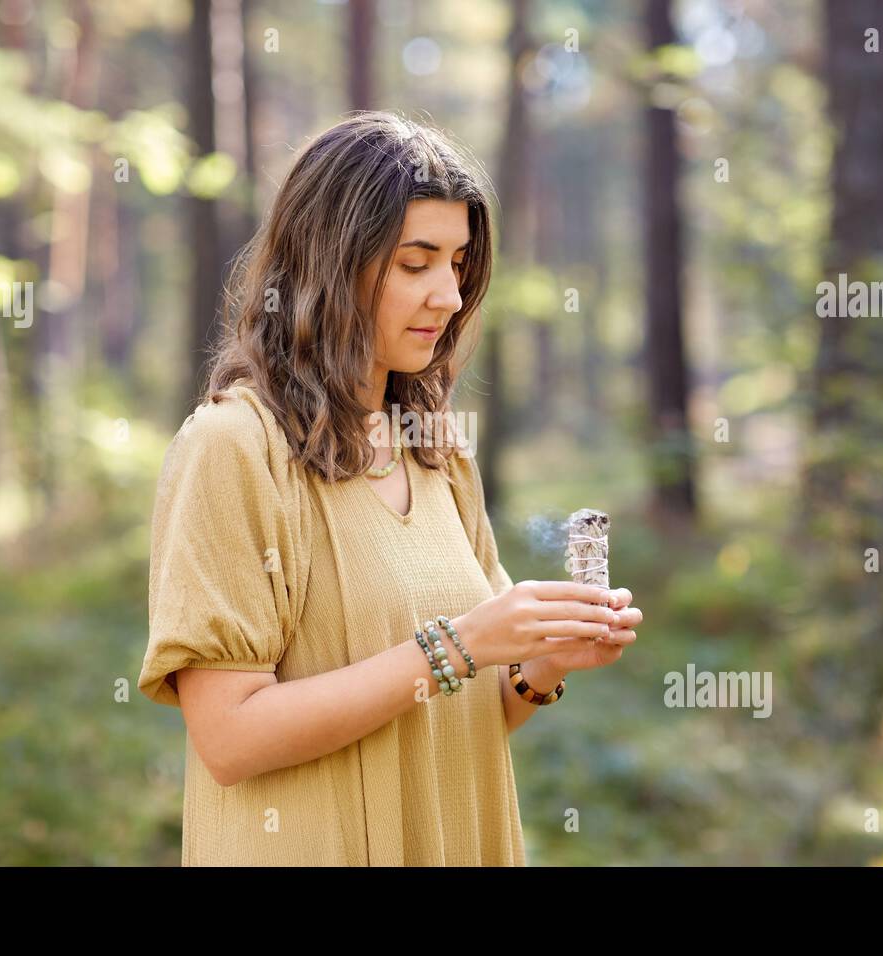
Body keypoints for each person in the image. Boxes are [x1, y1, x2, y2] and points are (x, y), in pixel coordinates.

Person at [138, 111, 643, 866]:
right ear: (329, 264)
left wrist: (543, 665)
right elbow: (230, 738)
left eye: (459, 262)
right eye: (416, 263)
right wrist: (462, 643)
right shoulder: (234, 450)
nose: (447, 294)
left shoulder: (437, 450)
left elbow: (459, 709)